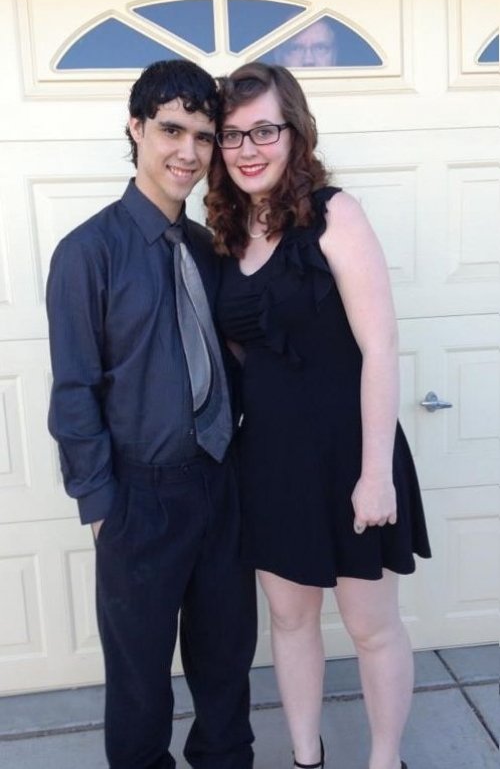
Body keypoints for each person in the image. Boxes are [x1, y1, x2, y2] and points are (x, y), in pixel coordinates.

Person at [206, 62, 431, 769]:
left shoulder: (335, 214)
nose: (247, 149)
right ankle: (308, 757)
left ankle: (385, 759)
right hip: (271, 462)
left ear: (295, 131)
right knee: (290, 620)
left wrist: (376, 475)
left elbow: (380, 346)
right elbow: (245, 357)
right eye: (232, 134)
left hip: (352, 454)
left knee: (371, 627)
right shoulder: (227, 235)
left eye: (263, 131)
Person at [46, 59, 257, 769]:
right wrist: (102, 506)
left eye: (203, 136)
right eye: (171, 129)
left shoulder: (207, 249)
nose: (188, 152)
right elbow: (74, 390)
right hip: (140, 496)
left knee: (227, 661)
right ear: (135, 128)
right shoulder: (87, 253)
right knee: (139, 680)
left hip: (219, 483)